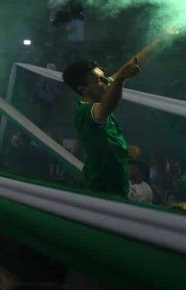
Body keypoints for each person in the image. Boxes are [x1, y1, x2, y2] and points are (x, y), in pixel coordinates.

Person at [61, 31, 174, 197]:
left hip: (116, 185)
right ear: (83, 89)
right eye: (99, 80)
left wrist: (161, 39)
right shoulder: (87, 111)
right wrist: (120, 79)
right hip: (103, 190)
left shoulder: (98, 96)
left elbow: (128, 66)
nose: (107, 81)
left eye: (105, 76)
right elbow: (111, 103)